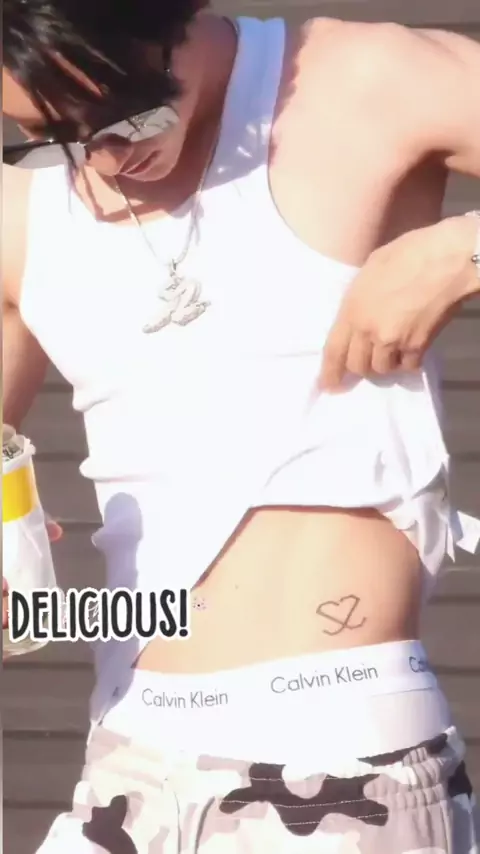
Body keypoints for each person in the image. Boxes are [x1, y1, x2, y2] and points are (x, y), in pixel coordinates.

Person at [3, 2, 480, 852]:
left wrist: (460, 250)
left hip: (334, 760)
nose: (103, 160)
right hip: (126, 765)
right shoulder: (24, 211)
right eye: (50, 132)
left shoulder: (364, 82)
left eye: (121, 111)